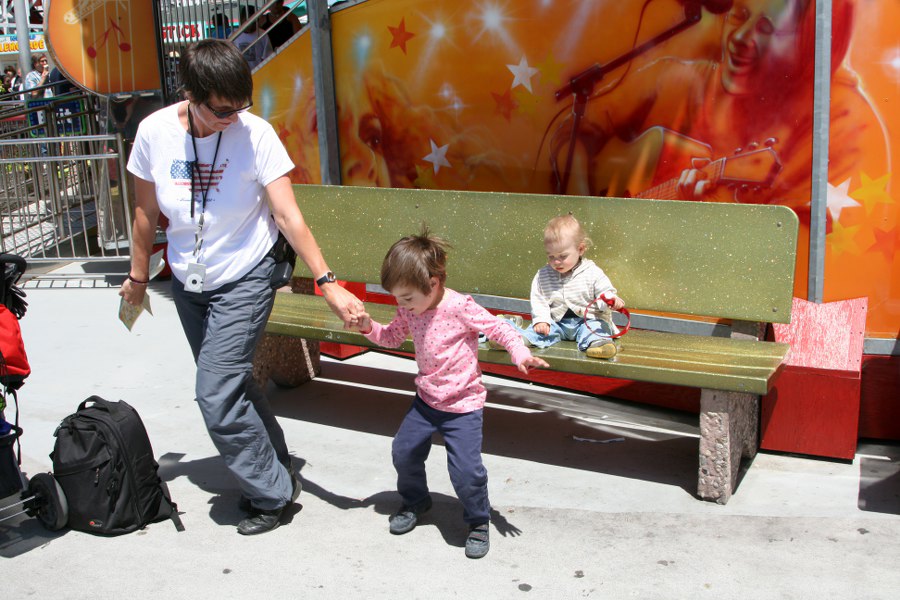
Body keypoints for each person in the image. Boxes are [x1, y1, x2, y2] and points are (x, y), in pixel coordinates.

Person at [119, 39, 364, 536]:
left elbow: (287, 214)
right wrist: (138, 277)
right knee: (233, 383)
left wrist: (328, 282)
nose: (233, 118)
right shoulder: (154, 133)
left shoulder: (257, 135)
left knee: (214, 392)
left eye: (240, 107)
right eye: (221, 110)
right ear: (190, 93)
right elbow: (145, 213)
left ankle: (271, 493)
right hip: (189, 279)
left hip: (247, 275)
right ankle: (278, 468)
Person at [353, 228, 549, 559]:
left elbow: (499, 328)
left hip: (463, 405)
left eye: (407, 298)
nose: (401, 306)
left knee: (467, 471)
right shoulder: (409, 308)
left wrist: (520, 354)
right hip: (426, 400)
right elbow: (389, 337)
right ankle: (416, 500)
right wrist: (367, 327)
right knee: (403, 451)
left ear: (433, 283)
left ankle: (478, 521)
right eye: (397, 299)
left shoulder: (460, 306)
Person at [520, 214, 624, 359]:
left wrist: (609, 300)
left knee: (596, 329)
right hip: (557, 322)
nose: (556, 262)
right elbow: (538, 298)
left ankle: (599, 345)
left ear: (580, 249)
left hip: (589, 320)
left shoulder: (592, 272)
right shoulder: (543, 275)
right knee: (538, 330)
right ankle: (519, 341)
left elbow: (604, 292)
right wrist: (541, 319)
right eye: (551, 257)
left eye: (562, 256)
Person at [233, 5, 273, 70]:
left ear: (257, 21)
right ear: (241, 20)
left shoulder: (262, 34)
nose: (250, 26)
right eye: (248, 22)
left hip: (258, 73)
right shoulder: (233, 35)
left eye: (253, 23)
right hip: (241, 74)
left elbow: (267, 57)